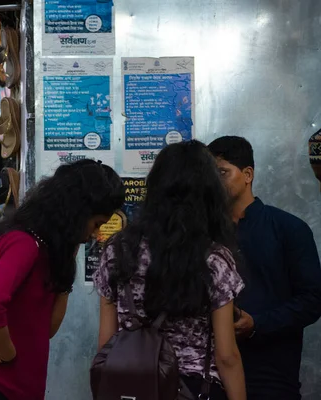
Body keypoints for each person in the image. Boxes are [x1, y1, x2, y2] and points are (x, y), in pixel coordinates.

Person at [0, 159, 125, 400]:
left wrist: (66, 261)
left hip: (13, 388)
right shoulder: (23, 244)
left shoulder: (44, 252)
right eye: (95, 224)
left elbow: (46, 329)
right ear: (75, 213)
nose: (93, 235)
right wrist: (6, 353)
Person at [95, 141, 246, 400]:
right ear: (209, 195)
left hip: (131, 386)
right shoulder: (214, 259)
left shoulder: (117, 251)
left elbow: (106, 342)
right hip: (194, 388)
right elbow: (226, 356)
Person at [208, 136, 321, 400]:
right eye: (210, 174)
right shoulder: (204, 234)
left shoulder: (288, 229)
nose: (215, 182)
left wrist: (258, 323)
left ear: (248, 174)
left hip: (272, 375)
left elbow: (313, 300)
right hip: (211, 376)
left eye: (222, 172)